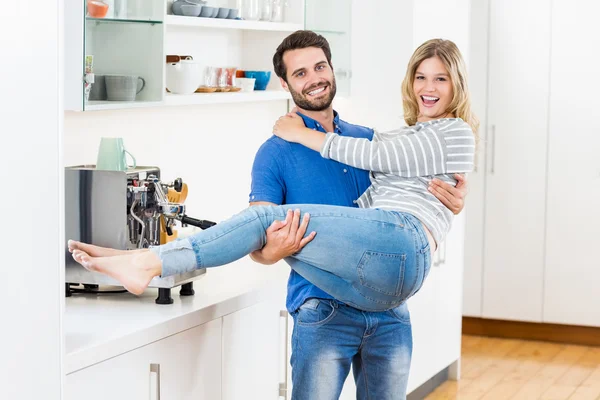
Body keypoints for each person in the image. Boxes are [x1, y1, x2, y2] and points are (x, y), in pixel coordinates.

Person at [69, 34, 474, 399]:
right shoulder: (274, 152)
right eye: (301, 72)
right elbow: (260, 242)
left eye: (320, 67)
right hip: (324, 309)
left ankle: (149, 262)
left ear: (332, 70)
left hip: (388, 308)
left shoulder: (366, 139)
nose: (314, 78)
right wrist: (275, 250)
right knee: (269, 223)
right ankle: (149, 262)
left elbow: (411, 182)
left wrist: (455, 200)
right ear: (285, 84)